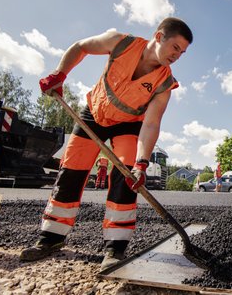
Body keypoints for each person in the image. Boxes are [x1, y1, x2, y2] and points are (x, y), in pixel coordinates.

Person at [20, 17, 193, 271]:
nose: (178, 55)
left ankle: (115, 250)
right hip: (94, 114)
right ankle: (51, 239)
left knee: (126, 176)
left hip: (129, 123)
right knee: (71, 170)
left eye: (183, 52)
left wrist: (142, 163)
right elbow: (81, 47)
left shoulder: (164, 83)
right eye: (175, 47)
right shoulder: (120, 43)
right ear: (159, 37)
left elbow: (152, 123)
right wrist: (59, 74)